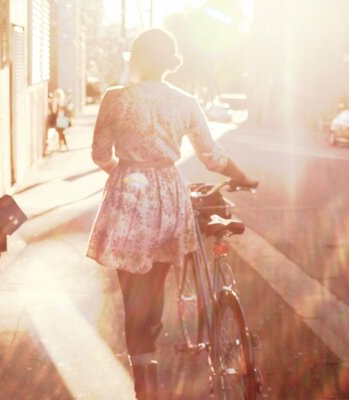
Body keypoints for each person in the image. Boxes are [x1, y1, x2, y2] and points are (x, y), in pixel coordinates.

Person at [86, 29, 257, 400]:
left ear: (137, 59)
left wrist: (125, 171)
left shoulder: (115, 99)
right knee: (154, 288)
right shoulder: (185, 102)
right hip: (168, 194)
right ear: (170, 63)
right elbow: (211, 155)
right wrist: (241, 176)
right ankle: (151, 346)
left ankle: (145, 388)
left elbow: (100, 154)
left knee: (132, 298)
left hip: (128, 196)